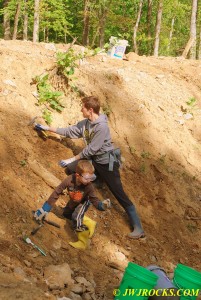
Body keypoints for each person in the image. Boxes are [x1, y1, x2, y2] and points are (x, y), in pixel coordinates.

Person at [35, 96, 145, 239]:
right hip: (94, 161)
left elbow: (91, 149)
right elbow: (71, 131)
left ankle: (138, 228)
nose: (81, 109)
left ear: (90, 110)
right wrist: (48, 128)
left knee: (119, 193)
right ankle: (97, 179)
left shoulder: (102, 127)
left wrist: (71, 158)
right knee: (72, 170)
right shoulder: (86, 123)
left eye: (83, 108)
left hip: (106, 164)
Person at [34, 160, 111, 249]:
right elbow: (57, 192)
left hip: (84, 202)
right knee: (66, 214)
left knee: (76, 217)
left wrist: (102, 205)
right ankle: (90, 223)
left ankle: (83, 242)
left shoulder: (89, 186)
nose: (89, 180)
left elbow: (94, 200)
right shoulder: (69, 180)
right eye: (87, 178)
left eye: (91, 178)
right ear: (78, 175)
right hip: (74, 201)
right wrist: (45, 208)